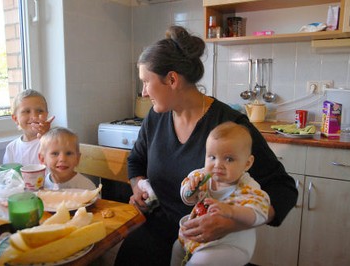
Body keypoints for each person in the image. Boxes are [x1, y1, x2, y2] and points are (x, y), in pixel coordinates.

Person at [114, 25, 297, 266]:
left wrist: (230, 223)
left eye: (146, 82)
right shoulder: (156, 117)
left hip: (213, 242)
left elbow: (283, 189)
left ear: (171, 79)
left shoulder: (230, 124)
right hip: (160, 229)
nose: (144, 92)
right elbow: (136, 161)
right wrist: (138, 185)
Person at [171, 122, 270, 266]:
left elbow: (260, 215)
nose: (218, 165)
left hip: (232, 244)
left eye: (229, 159)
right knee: (177, 248)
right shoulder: (201, 177)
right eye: (212, 157)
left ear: (247, 163)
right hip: (202, 237)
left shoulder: (248, 188)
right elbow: (187, 199)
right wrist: (190, 190)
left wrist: (232, 211)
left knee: (200, 262)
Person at [3, 89, 55, 166]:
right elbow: (8, 175)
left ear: (46, 115)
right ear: (15, 118)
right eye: (26, 111)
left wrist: (46, 137)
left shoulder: (54, 142)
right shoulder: (11, 148)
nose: (34, 116)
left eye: (40, 111)